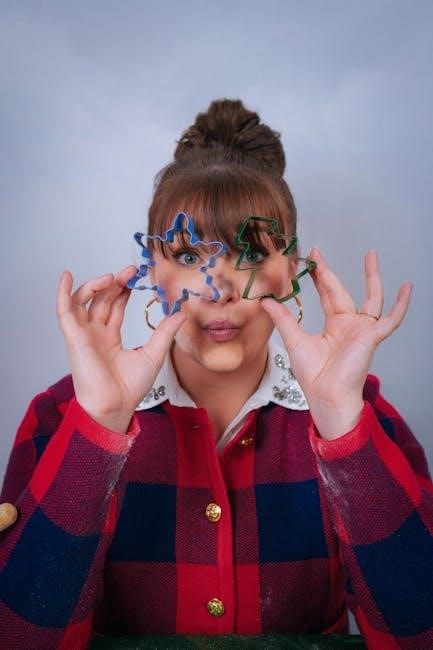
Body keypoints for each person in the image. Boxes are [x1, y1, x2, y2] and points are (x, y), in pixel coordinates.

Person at [1, 99, 432, 650]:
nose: (220, 289)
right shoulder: (64, 416)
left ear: (293, 271)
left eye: (251, 253)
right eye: (188, 257)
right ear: (152, 271)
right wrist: (100, 426)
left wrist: (343, 428)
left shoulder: (360, 417)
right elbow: (18, 636)